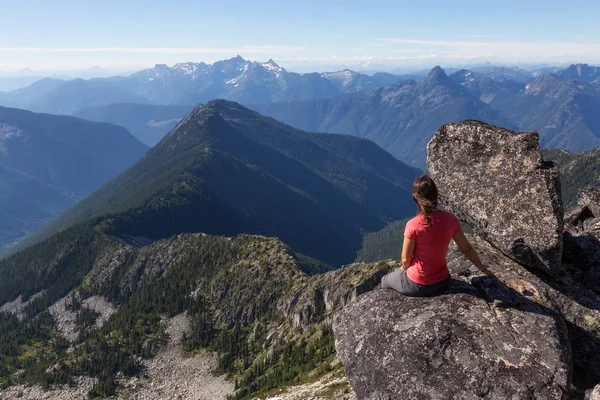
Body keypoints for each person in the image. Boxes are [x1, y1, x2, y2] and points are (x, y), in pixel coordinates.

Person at [381, 174, 495, 297]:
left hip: (418, 284)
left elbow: (405, 259)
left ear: (416, 199)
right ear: (436, 196)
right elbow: (466, 248)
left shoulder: (413, 225)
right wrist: (483, 269)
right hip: (443, 280)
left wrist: (403, 269)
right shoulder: (451, 220)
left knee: (384, 280)